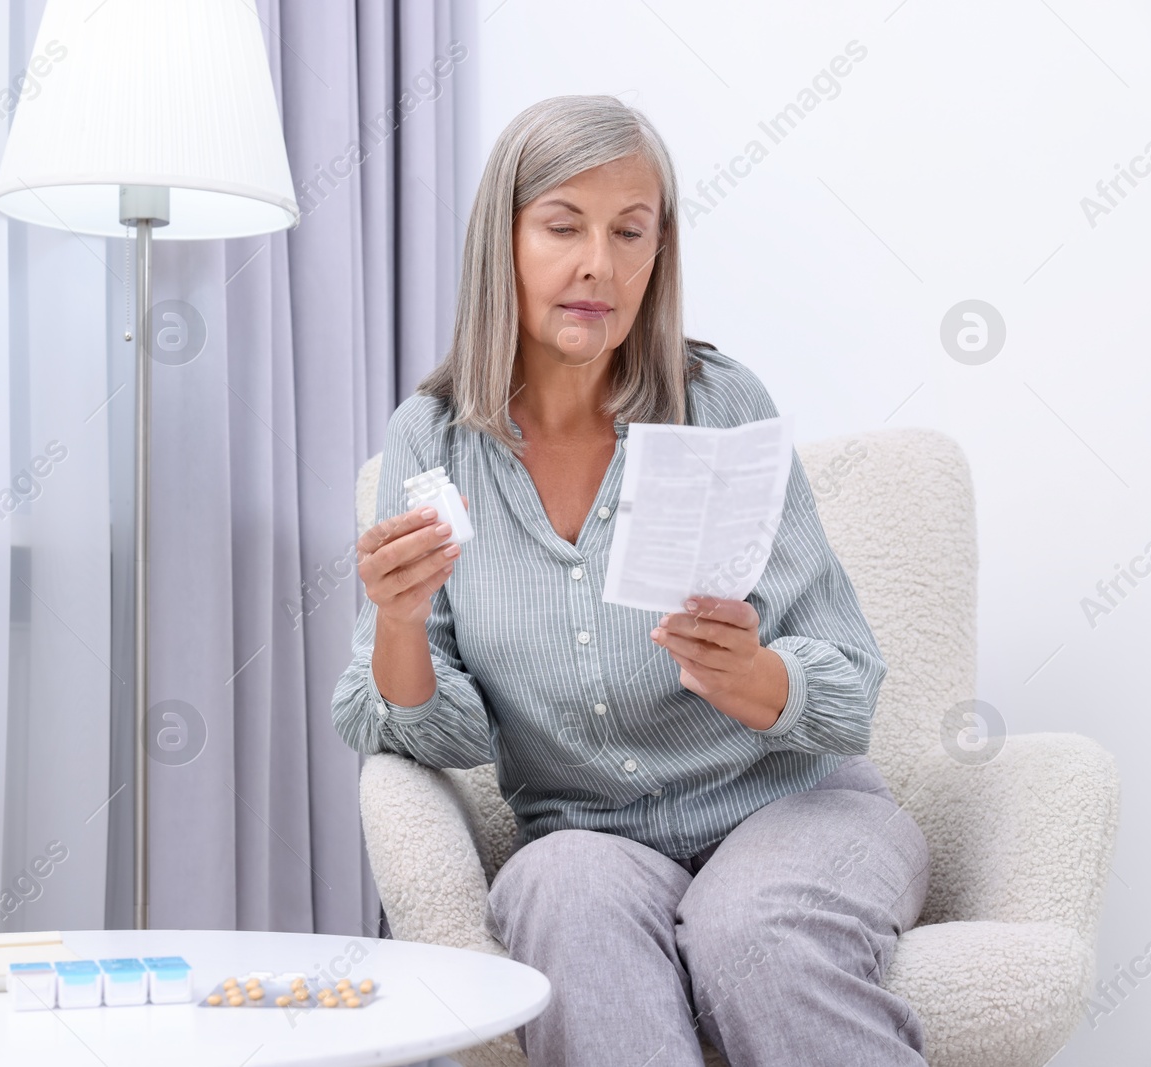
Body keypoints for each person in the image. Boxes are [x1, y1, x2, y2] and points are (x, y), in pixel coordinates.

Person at [330, 95, 930, 1066]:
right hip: (583, 833)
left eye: (629, 232)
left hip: (794, 806)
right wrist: (397, 619)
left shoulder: (718, 402)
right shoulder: (429, 439)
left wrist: (754, 678)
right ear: (504, 239)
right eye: (562, 226)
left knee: (750, 929)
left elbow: (851, 680)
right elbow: (429, 725)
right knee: (561, 896)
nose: (596, 266)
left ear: (660, 252)